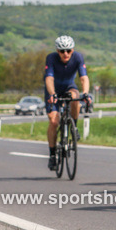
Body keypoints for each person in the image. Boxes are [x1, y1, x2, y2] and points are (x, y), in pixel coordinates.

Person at [44, 35, 90, 170]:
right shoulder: (51, 58)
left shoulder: (78, 57)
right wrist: (52, 94)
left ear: (73, 50)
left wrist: (86, 93)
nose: (65, 54)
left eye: (69, 51)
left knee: (75, 98)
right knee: (54, 121)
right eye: (62, 51)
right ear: (57, 51)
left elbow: (83, 77)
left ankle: (73, 127)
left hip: (69, 86)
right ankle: (52, 155)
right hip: (53, 90)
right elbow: (49, 79)